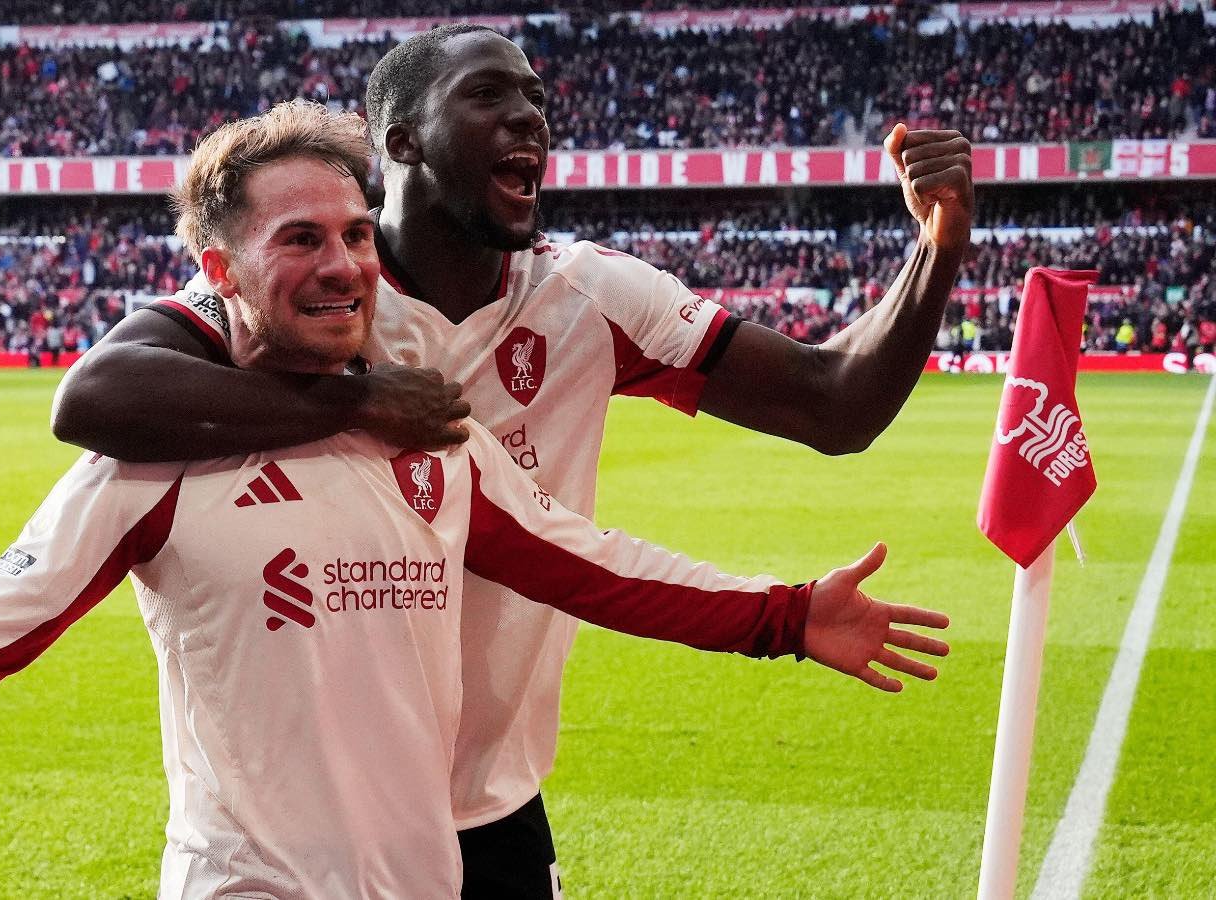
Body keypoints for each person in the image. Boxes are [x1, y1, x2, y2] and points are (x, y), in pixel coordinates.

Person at [0, 102, 949, 897]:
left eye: (356, 235)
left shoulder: (430, 437)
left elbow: (588, 560)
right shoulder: (156, 460)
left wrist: (787, 615)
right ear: (219, 271)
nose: (344, 263)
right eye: (299, 239)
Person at [52, 27, 975, 897]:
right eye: (488, 95)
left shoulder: (590, 295)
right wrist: (358, 402)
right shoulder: (316, 292)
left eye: (535, 98)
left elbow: (833, 404)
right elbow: (97, 395)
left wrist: (936, 251)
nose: (528, 116)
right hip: (306, 825)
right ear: (403, 142)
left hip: (494, 801)